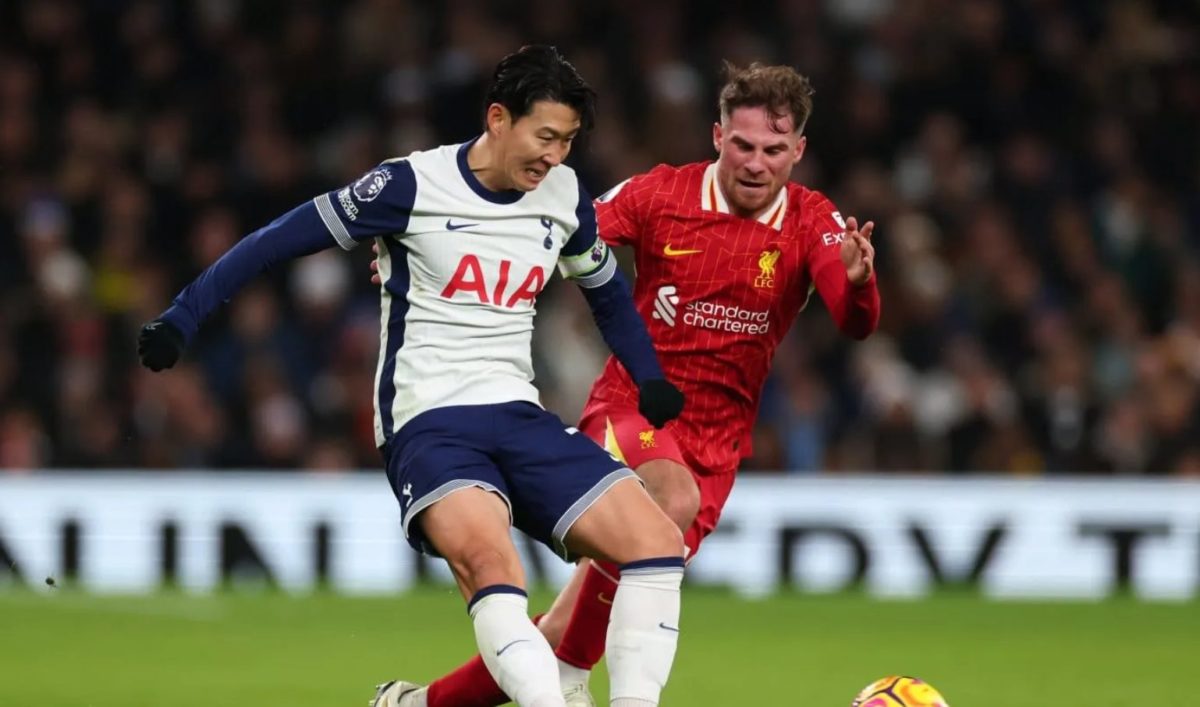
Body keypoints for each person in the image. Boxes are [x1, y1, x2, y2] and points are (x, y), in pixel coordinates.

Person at [136, 45, 690, 707]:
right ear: (497, 118)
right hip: (430, 422)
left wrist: (647, 374)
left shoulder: (564, 198)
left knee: (657, 541)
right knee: (495, 568)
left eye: (567, 142)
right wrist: (183, 315)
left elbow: (604, 293)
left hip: (519, 413)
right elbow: (278, 238)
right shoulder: (410, 186)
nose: (555, 156)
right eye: (545, 136)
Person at [379, 62, 881, 707]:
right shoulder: (660, 195)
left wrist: (860, 283)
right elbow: (552, 231)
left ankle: (417, 704)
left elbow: (854, 320)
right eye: (744, 145)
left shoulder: (813, 220)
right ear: (717, 136)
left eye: (775, 150)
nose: (757, 164)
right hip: (632, 410)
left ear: (798, 151)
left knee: (566, 634)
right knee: (664, 506)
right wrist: (428, 257)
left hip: (718, 446)